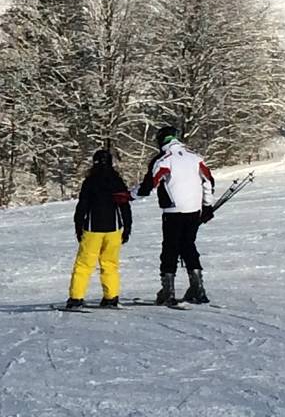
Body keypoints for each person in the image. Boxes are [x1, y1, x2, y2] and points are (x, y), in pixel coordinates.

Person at [135, 129, 218, 307]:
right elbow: (208, 180)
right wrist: (207, 205)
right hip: (194, 209)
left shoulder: (164, 159)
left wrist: (130, 195)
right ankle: (198, 288)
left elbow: (150, 183)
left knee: (170, 248)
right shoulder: (195, 157)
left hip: (173, 211)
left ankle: (168, 291)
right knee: (189, 245)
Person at [61, 148, 132, 311]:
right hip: (114, 229)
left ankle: (76, 298)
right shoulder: (117, 181)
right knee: (110, 264)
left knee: (84, 264)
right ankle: (111, 297)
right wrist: (127, 227)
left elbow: (82, 207)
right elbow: (124, 205)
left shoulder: (90, 181)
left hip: (93, 229)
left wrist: (78, 227)